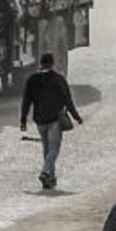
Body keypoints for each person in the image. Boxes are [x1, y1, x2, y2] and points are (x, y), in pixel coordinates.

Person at [20, 52, 83, 190]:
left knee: (47, 149)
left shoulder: (32, 79)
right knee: (54, 149)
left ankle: (50, 178)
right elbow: (68, 100)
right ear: (52, 63)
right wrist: (76, 117)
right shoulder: (58, 79)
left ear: (40, 63)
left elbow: (26, 101)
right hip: (54, 120)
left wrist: (23, 119)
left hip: (39, 121)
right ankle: (46, 172)